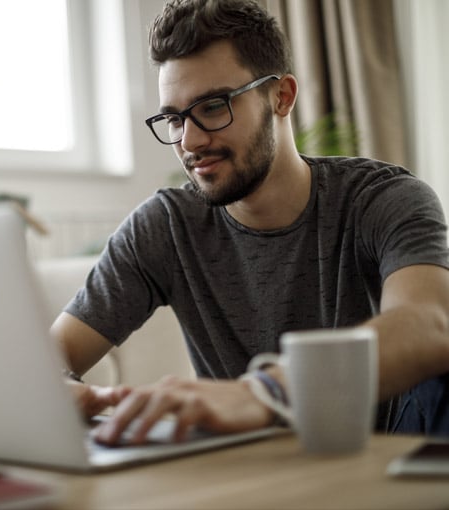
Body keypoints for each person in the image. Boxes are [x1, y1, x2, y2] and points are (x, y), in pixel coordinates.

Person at [51, 0, 449, 444]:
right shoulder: (165, 227)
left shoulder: (382, 198)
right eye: (174, 118)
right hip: (246, 467)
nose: (191, 140)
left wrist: (263, 392)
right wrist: (55, 389)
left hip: (385, 452)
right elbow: (50, 356)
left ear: (281, 96)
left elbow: (429, 322)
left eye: (213, 107)